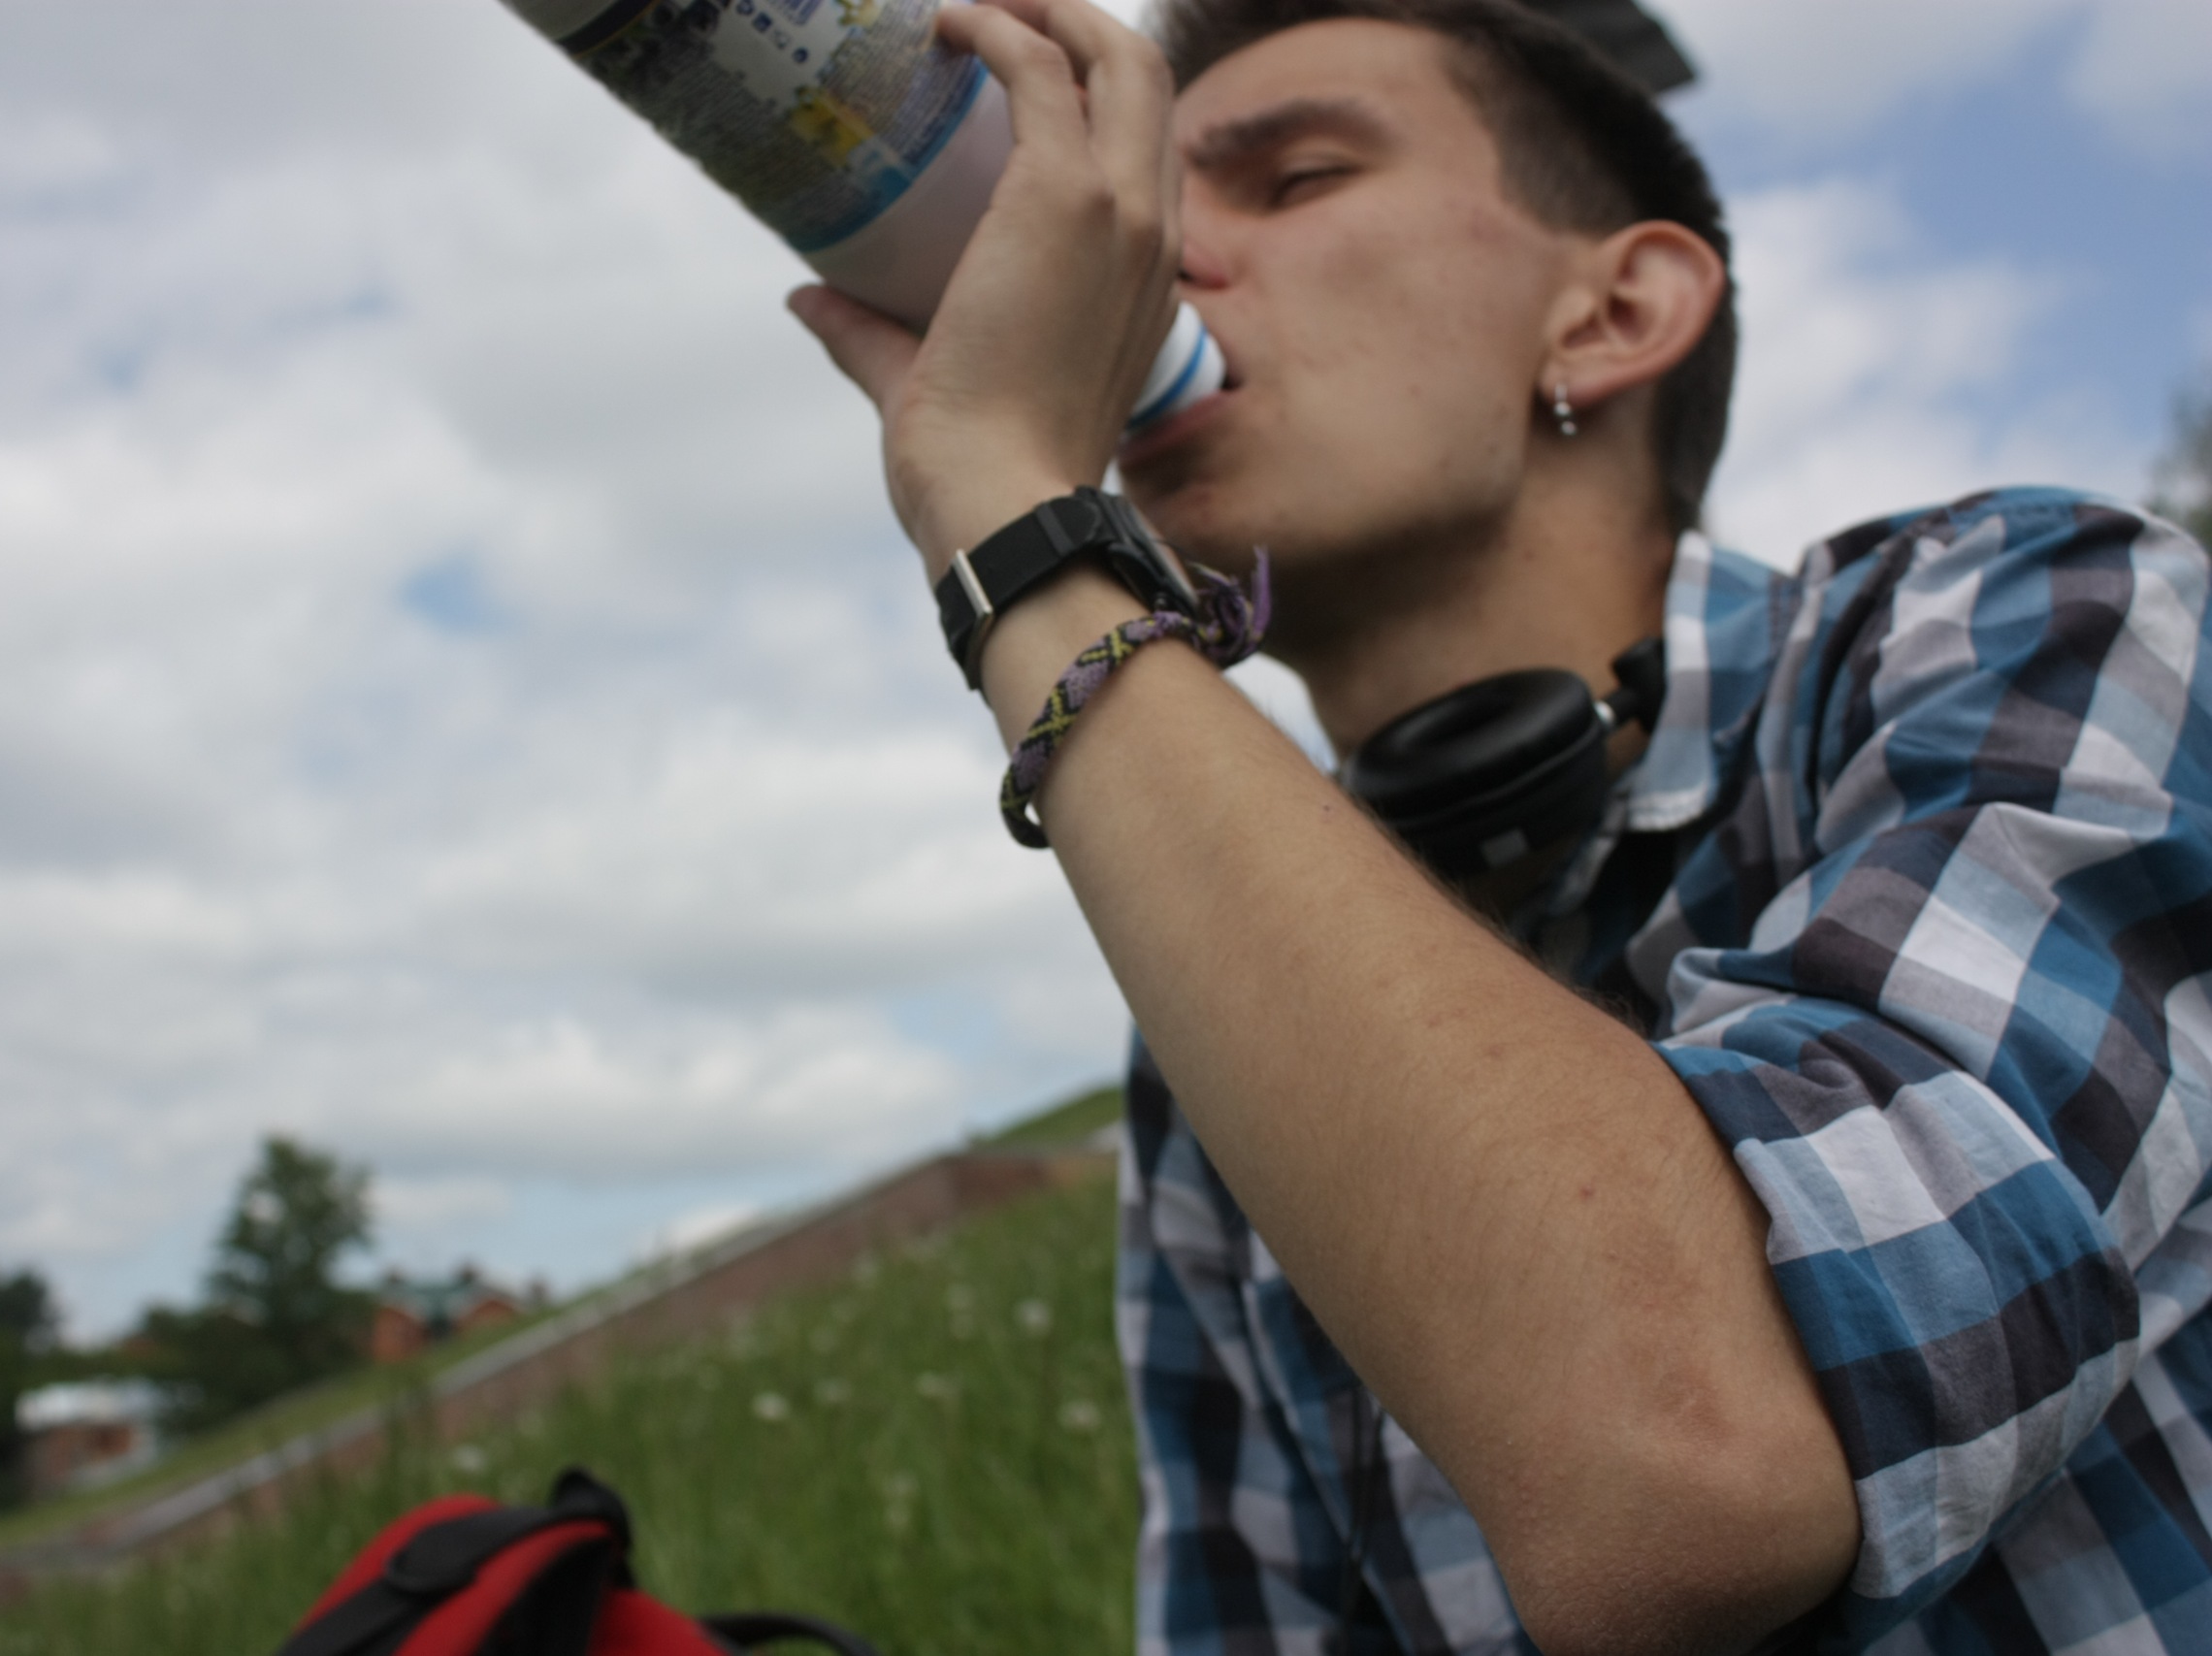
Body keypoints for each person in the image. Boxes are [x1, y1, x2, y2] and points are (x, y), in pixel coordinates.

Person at [787, 0, 2212, 1648]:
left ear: (1615, 311)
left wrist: (1009, 511)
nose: (1155, 258)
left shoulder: (2038, 613)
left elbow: (1693, 1459)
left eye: (1297, 179)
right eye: (1156, 204)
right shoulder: (1219, 1030)